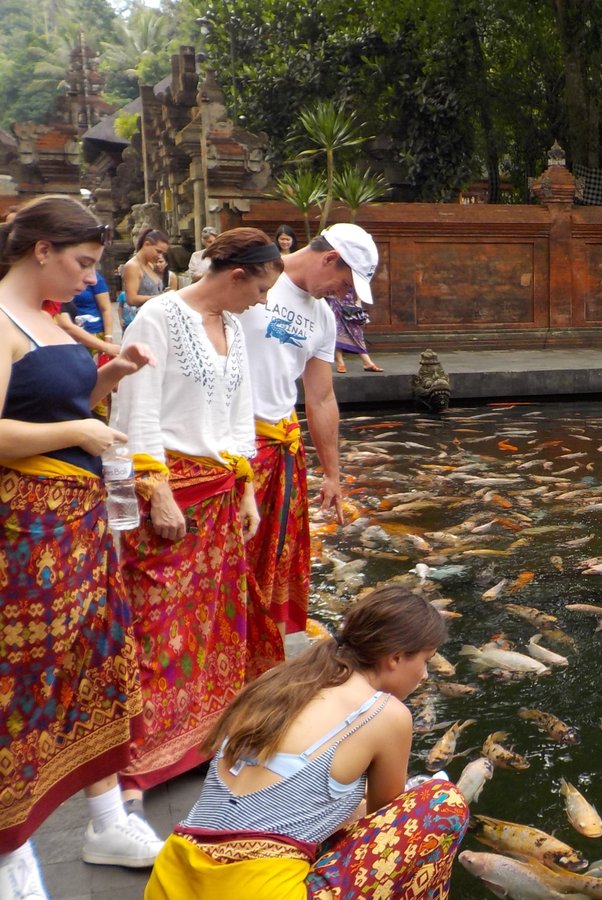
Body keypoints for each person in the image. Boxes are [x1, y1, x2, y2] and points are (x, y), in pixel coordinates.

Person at [0, 196, 159, 896]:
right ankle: (12, 850)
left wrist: (107, 382)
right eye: (82, 263)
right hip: (25, 529)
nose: (90, 280)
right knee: (25, 680)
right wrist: (79, 434)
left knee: (99, 657)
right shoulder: (1, 320)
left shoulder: (49, 317)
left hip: (81, 519)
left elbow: (59, 408)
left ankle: (104, 817)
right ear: (40, 249)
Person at [109, 228, 284, 816]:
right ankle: (141, 759)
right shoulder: (157, 318)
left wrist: (247, 489)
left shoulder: (233, 327)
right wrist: (156, 491)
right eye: (259, 288)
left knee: (217, 620)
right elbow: (137, 407)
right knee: (159, 625)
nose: (260, 302)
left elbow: (238, 415)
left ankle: (208, 736)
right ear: (236, 276)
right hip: (169, 492)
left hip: (217, 493)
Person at [144, 586, 469, 899]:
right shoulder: (385, 713)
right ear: (395, 658)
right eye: (426, 660)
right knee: (444, 805)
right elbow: (382, 822)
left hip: (171, 878)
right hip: (253, 890)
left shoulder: (279, 682)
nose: (425, 675)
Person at [240, 223, 377, 676]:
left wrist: (333, 475)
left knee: (276, 562)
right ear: (329, 257)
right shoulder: (254, 280)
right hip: (232, 441)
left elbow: (320, 398)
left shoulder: (323, 315)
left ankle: (260, 653)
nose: (344, 292)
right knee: (232, 556)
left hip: (281, 445)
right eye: (344, 281)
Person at [119, 228, 169, 326]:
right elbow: (131, 299)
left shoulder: (149, 265)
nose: (160, 256)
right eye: (158, 251)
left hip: (156, 320)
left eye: (163, 253)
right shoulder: (132, 266)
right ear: (147, 244)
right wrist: (158, 298)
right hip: (143, 321)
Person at [328, 290, 383, 372]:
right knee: (337, 333)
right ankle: (341, 363)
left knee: (357, 333)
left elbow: (360, 283)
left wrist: (359, 300)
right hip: (333, 302)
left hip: (349, 303)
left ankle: (367, 362)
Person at [71, 267, 116, 340]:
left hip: (94, 332)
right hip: (67, 333)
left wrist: (108, 336)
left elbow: (105, 308)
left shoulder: (94, 277)